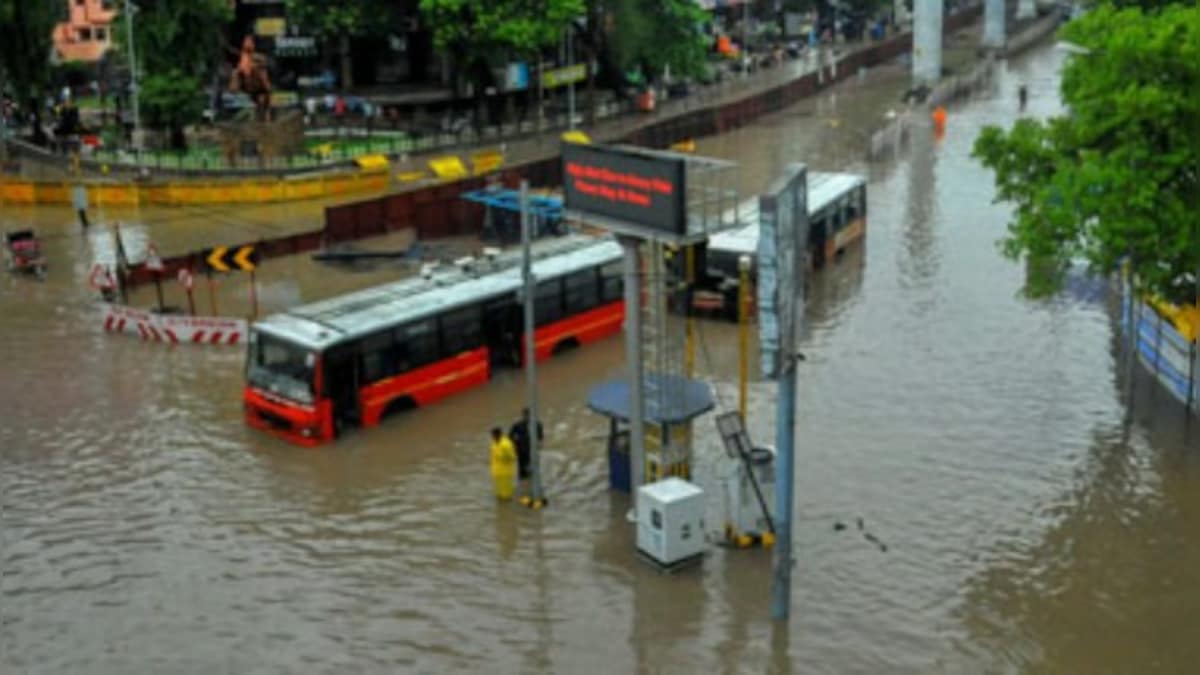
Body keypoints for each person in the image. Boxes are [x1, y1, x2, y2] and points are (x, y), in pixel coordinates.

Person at [508, 408, 545, 484]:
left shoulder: (537, 425)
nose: (527, 417)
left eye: (528, 415)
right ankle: (522, 482)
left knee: (533, 467)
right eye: (525, 415)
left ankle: (532, 482)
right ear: (523, 415)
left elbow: (541, 436)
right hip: (521, 449)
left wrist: (539, 444)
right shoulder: (517, 425)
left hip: (532, 450)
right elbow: (510, 436)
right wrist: (515, 443)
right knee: (521, 469)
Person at [489, 427, 517, 500]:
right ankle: (501, 506)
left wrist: (503, 457)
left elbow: (513, 457)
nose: (492, 437)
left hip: (505, 472)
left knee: (506, 493)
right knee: (499, 493)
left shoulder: (506, 444)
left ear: (498, 434)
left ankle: (507, 506)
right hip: (497, 471)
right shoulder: (494, 443)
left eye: (493, 435)